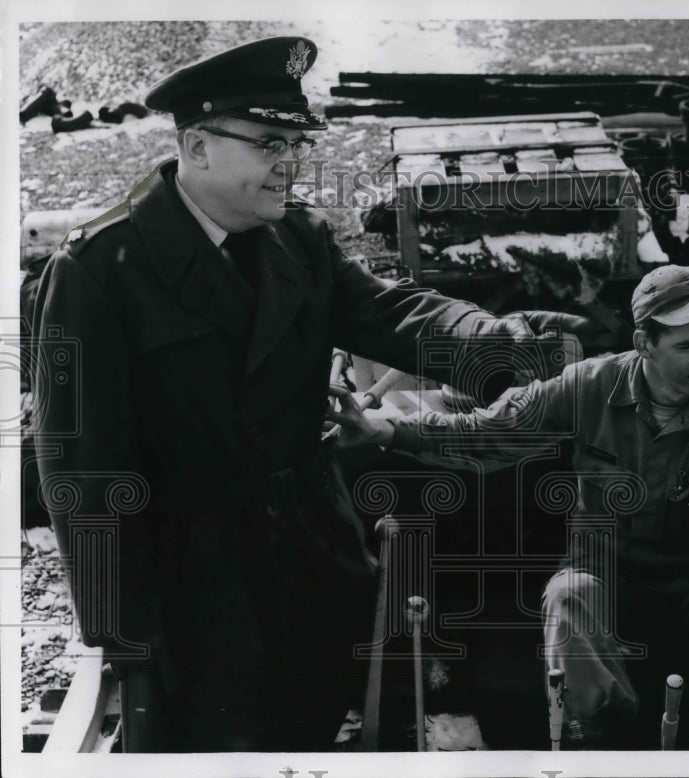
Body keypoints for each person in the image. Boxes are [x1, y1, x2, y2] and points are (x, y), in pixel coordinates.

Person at [30, 36, 560, 753]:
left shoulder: (298, 240)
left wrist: (495, 343)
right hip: (196, 581)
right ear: (197, 146)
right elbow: (81, 467)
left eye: (295, 144)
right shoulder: (101, 268)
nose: (290, 162)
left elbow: (388, 313)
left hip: (313, 553)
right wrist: (118, 625)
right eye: (269, 142)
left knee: (309, 727)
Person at [331, 264, 689, 749]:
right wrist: (389, 431)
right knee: (568, 599)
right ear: (644, 344)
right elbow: (493, 430)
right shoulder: (589, 386)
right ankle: (602, 745)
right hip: (607, 570)